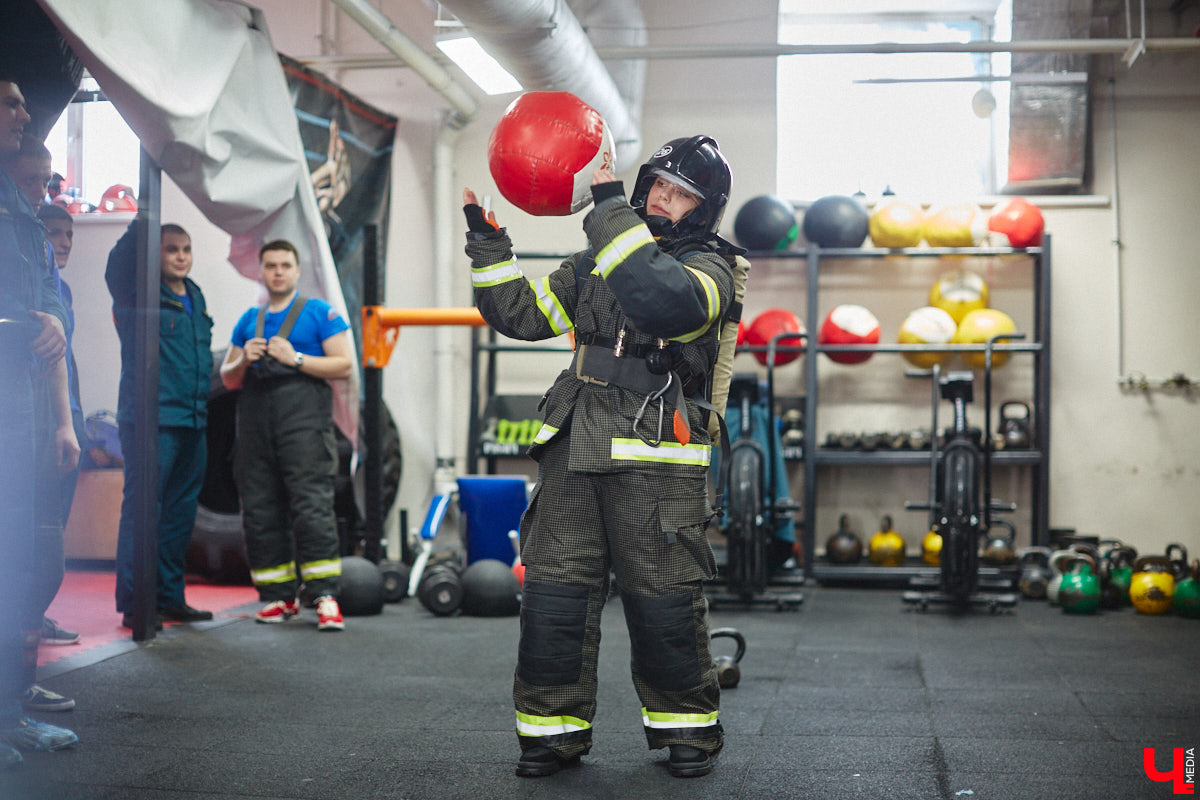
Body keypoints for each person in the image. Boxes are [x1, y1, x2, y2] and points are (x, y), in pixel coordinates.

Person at [463, 135, 740, 779]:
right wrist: (488, 245)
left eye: (682, 196)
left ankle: (687, 733)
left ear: (704, 211)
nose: (665, 202)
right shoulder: (596, 258)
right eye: (659, 188)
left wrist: (609, 204)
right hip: (574, 442)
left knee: (663, 597)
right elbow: (525, 315)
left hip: (656, 452)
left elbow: (660, 298)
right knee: (555, 592)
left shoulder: (710, 269)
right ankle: (550, 734)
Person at [0, 74, 79, 769]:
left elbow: (46, 317)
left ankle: (8, 715)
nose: (25, 112)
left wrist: (61, 422)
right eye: (10, 102)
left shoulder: (23, 215)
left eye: (25, 101)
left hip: (22, 413)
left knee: (18, 564)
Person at [218, 239, 353, 632]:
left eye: (285, 265)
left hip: (304, 427)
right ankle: (278, 597)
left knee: (311, 507)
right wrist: (245, 357)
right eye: (271, 265)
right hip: (256, 430)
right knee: (260, 511)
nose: (277, 271)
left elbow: (343, 365)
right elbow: (228, 380)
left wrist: (293, 357)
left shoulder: (320, 314)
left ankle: (325, 597)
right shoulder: (248, 321)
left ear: (297, 271)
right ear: (261, 271)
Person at [106, 218, 214, 629]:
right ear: (154, 253)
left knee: (179, 514)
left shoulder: (196, 295)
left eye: (186, 249)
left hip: (192, 420)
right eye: (171, 249)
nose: (181, 257)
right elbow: (116, 266)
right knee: (142, 509)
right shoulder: (137, 293)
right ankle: (135, 602)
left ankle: (169, 597)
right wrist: (141, 222)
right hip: (152, 420)